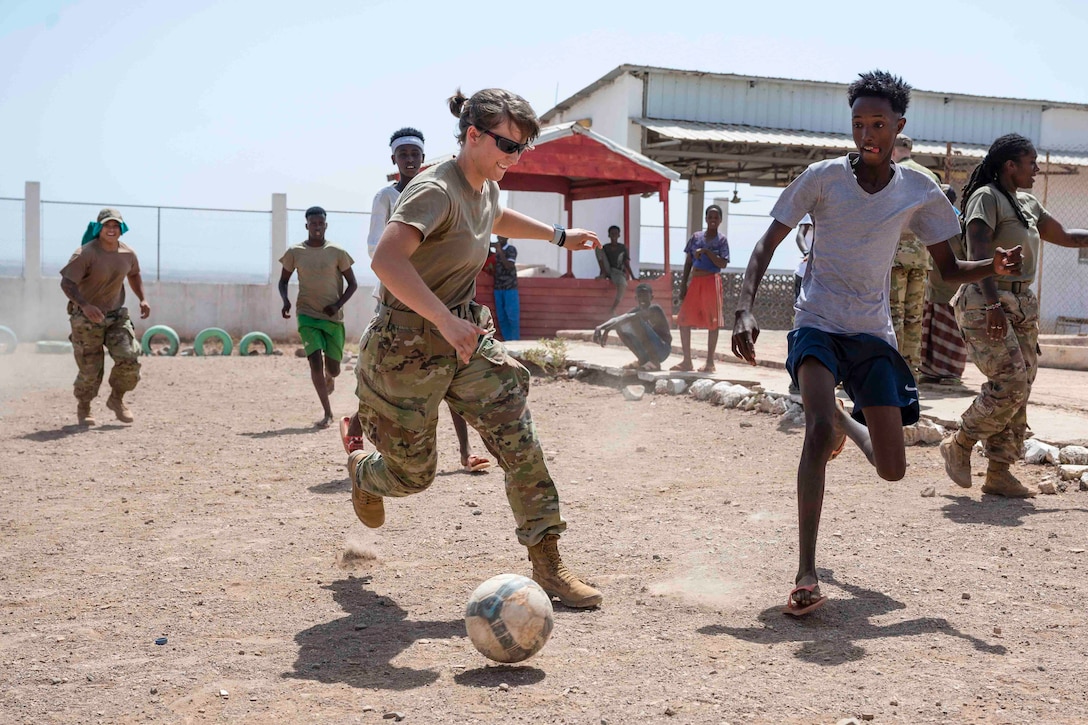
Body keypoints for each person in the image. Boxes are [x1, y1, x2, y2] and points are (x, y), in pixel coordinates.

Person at [731, 70, 1022, 616]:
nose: (868, 134)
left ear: (899, 127)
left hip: (871, 334)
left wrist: (993, 265)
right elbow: (765, 243)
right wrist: (744, 306)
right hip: (817, 323)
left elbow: (949, 268)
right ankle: (806, 572)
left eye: (879, 124)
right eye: (859, 123)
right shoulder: (821, 177)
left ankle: (845, 418)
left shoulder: (919, 190)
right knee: (814, 429)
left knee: (892, 467)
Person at [345, 87, 604, 608]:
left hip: (464, 341)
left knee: (519, 441)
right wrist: (442, 320)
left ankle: (547, 563)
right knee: (412, 475)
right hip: (407, 346)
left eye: (522, 149)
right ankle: (364, 473)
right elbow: (386, 260)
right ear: (472, 135)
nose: (515, 157)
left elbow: (493, 217)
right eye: (509, 146)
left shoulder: (484, 183)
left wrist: (559, 236)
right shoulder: (433, 190)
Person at [941, 133, 1088, 498]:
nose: (1036, 169)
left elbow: (1068, 237)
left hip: (1022, 305)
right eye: (1031, 162)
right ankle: (959, 442)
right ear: (1010, 165)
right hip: (987, 299)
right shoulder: (986, 198)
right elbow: (977, 252)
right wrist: (992, 305)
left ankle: (999, 472)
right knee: (1011, 384)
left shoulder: (1027, 203)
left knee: (1021, 389)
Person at [361, 127, 492, 472]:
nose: (408, 159)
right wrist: (412, 280)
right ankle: (365, 438)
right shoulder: (387, 198)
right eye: (402, 154)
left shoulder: (439, 191)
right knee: (389, 379)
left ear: (422, 158)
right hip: (402, 302)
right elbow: (379, 249)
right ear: (394, 159)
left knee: (454, 372)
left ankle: (465, 453)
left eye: (414, 154)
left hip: (446, 299)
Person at [59, 208, 150, 426]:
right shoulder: (85, 253)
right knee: (90, 369)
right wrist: (85, 305)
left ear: (121, 229)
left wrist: (142, 299)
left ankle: (116, 400)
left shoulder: (128, 254)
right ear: (99, 228)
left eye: (116, 226)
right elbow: (67, 283)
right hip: (86, 318)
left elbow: (134, 274)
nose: (111, 229)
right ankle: (85, 407)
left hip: (116, 315)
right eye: (107, 225)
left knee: (129, 358)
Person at [278, 206, 358, 428]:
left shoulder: (337, 252)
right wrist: (285, 300)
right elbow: (283, 280)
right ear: (307, 226)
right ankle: (327, 412)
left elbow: (353, 284)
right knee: (314, 363)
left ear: (326, 225)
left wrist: (337, 304)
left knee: (333, 368)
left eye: (320, 223)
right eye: (312, 223)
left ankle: (330, 376)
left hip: (332, 318)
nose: (317, 227)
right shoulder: (295, 252)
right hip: (307, 315)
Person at [890, 134, 943, 370]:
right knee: (914, 318)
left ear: (892, 150)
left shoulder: (892, 173)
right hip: (922, 256)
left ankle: (890, 371)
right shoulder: (929, 175)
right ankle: (910, 373)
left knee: (893, 316)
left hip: (895, 255)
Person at [917, 185, 969, 385]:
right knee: (931, 331)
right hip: (935, 286)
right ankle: (930, 371)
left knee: (952, 332)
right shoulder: (930, 221)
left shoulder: (958, 224)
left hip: (953, 289)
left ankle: (951, 374)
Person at [673, 205, 729, 373]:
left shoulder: (721, 240)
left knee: (713, 322)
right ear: (706, 219)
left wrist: (706, 252)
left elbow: (723, 263)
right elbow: (688, 261)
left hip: (712, 281)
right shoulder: (696, 237)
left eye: (716, 217)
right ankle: (687, 361)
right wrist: (683, 284)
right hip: (695, 281)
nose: (712, 220)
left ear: (720, 220)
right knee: (684, 320)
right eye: (710, 217)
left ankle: (710, 363)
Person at [593, 283, 672, 371]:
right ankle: (642, 361)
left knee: (634, 321)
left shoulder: (655, 309)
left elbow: (629, 317)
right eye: (640, 296)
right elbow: (620, 318)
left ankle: (654, 362)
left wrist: (607, 328)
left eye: (645, 295)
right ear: (636, 298)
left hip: (663, 349)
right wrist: (600, 327)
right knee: (620, 327)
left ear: (651, 297)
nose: (642, 298)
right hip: (648, 351)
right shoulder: (637, 310)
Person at [595, 225, 634, 315]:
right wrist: (603, 273)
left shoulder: (622, 247)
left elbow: (626, 263)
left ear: (619, 235)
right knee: (598, 247)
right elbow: (602, 260)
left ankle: (614, 308)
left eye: (616, 234)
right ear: (609, 235)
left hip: (618, 272)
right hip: (608, 270)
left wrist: (632, 276)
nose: (614, 235)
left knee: (623, 285)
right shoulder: (606, 247)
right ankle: (604, 274)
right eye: (612, 234)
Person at [490, 235, 520, 340]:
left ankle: (515, 342)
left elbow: (509, 265)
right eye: (498, 236)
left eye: (502, 237)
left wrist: (499, 251)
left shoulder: (511, 249)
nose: (499, 238)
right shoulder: (495, 252)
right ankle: (508, 341)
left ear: (507, 238)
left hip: (510, 287)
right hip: (498, 288)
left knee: (512, 317)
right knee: (501, 318)